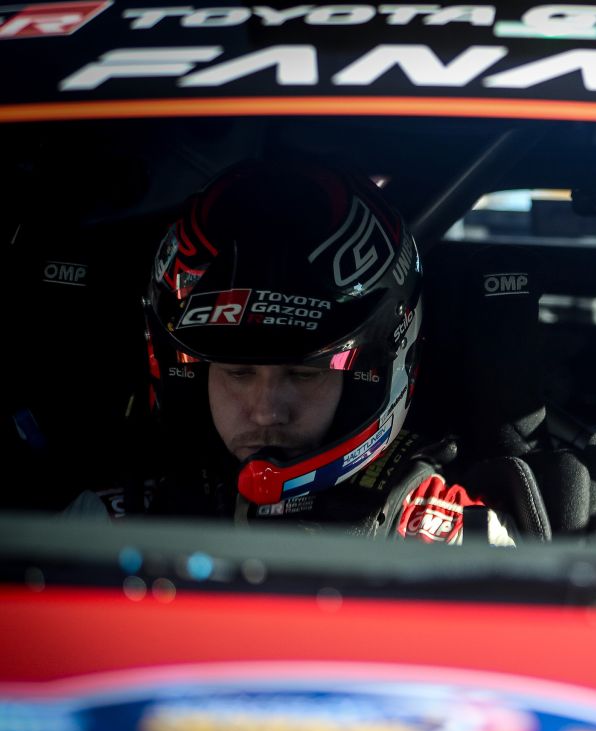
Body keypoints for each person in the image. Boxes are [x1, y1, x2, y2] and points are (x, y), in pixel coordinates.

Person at [75, 158, 513, 544]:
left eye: (304, 373)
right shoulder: (111, 523)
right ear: (189, 378)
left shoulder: (447, 536)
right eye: (238, 373)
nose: (267, 411)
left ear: (368, 376)